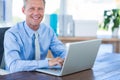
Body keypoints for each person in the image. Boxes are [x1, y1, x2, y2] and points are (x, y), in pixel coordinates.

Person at [4, 0, 66, 73]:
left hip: (40, 75)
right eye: (31, 9)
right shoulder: (12, 34)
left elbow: (62, 52)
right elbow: (14, 66)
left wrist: (67, 58)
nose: (36, 13)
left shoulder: (48, 31)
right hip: (17, 76)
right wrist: (47, 63)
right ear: (23, 10)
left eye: (40, 9)